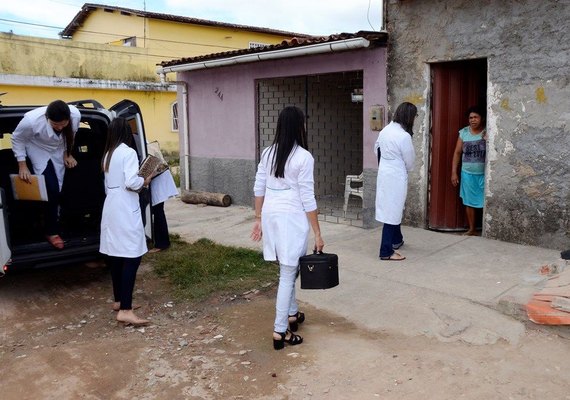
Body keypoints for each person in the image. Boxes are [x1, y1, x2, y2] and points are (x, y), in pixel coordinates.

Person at [251, 105, 324, 350]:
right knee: (287, 273)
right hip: (291, 218)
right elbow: (308, 197)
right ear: (299, 126)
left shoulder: (268, 153)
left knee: (287, 268)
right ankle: (280, 331)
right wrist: (317, 232)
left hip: (271, 216)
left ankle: (292, 314)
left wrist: (258, 218)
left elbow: (258, 187)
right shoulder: (304, 157)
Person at [100, 117, 151, 326]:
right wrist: (145, 180)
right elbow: (131, 182)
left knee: (116, 255)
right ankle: (126, 310)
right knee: (132, 256)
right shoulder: (128, 152)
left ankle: (119, 300)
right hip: (125, 207)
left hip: (111, 206)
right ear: (126, 132)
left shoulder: (107, 155)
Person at [11, 100, 81, 249]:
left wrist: (67, 154)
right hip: (38, 149)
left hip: (59, 149)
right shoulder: (31, 121)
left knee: (65, 186)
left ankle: (63, 219)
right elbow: (17, 139)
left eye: (63, 124)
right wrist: (22, 166)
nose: (60, 127)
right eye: (56, 125)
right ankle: (51, 231)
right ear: (47, 118)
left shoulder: (75, 115)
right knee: (51, 188)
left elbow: (71, 135)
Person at [374, 102, 417, 261]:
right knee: (393, 211)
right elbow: (410, 160)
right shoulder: (403, 136)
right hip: (396, 175)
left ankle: (396, 240)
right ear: (409, 117)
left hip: (384, 173)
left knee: (392, 207)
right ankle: (386, 251)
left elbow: (376, 149)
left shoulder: (385, 130)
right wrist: (403, 168)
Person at [451, 106, 486, 236]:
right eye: (470, 117)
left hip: (484, 174)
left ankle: (485, 228)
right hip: (467, 174)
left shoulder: (487, 132)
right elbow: (457, 153)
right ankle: (472, 229)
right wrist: (454, 172)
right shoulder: (464, 133)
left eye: (476, 117)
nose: (473, 120)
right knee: (469, 202)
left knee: (484, 200)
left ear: (482, 119)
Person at [148, 169, 178, 253]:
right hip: (157, 177)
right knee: (158, 212)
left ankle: (162, 244)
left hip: (158, 179)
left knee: (158, 213)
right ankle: (162, 242)